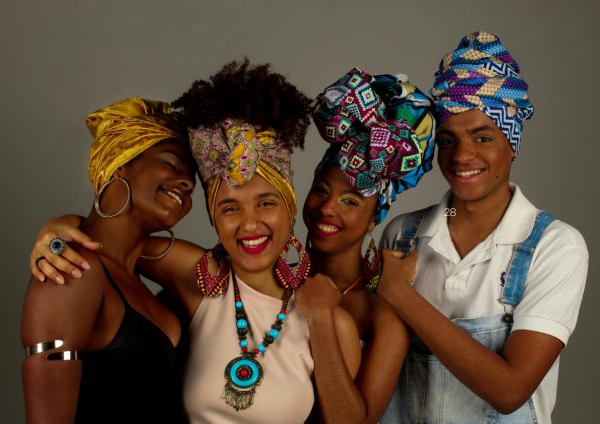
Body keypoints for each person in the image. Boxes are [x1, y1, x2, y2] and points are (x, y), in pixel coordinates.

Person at [27, 60, 361, 424]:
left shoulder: (330, 318)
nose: (250, 223)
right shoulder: (199, 276)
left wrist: (320, 319)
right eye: (229, 208)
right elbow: (111, 240)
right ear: (214, 219)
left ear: (289, 208)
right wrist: (61, 228)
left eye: (266, 203)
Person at [376, 31, 588, 423]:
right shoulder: (403, 236)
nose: (462, 156)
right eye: (448, 140)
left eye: (483, 137)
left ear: (512, 144)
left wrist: (401, 295)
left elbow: (509, 391)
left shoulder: (555, 246)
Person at [21, 97, 196, 423]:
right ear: (118, 165)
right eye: (172, 163)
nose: (188, 183)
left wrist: (66, 223)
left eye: (191, 178)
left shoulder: (135, 278)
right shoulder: (71, 269)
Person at [295, 67, 436, 423]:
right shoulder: (272, 277)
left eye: (350, 201)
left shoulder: (383, 310)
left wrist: (320, 317)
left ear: (374, 217)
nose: (328, 208)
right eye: (321, 191)